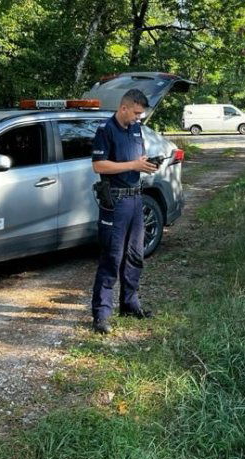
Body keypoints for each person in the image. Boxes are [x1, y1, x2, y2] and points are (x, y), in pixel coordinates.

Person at [90, 89, 158, 334]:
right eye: (137, 113)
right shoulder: (105, 130)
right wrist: (132, 165)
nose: (139, 118)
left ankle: (129, 304)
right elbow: (98, 164)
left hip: (135, 200)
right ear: (124, 108)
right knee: (111, 257)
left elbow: (136, 158)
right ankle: (101, 315)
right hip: (115, 202)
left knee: (135, 256)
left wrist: (146, 164)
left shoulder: (136, 129)